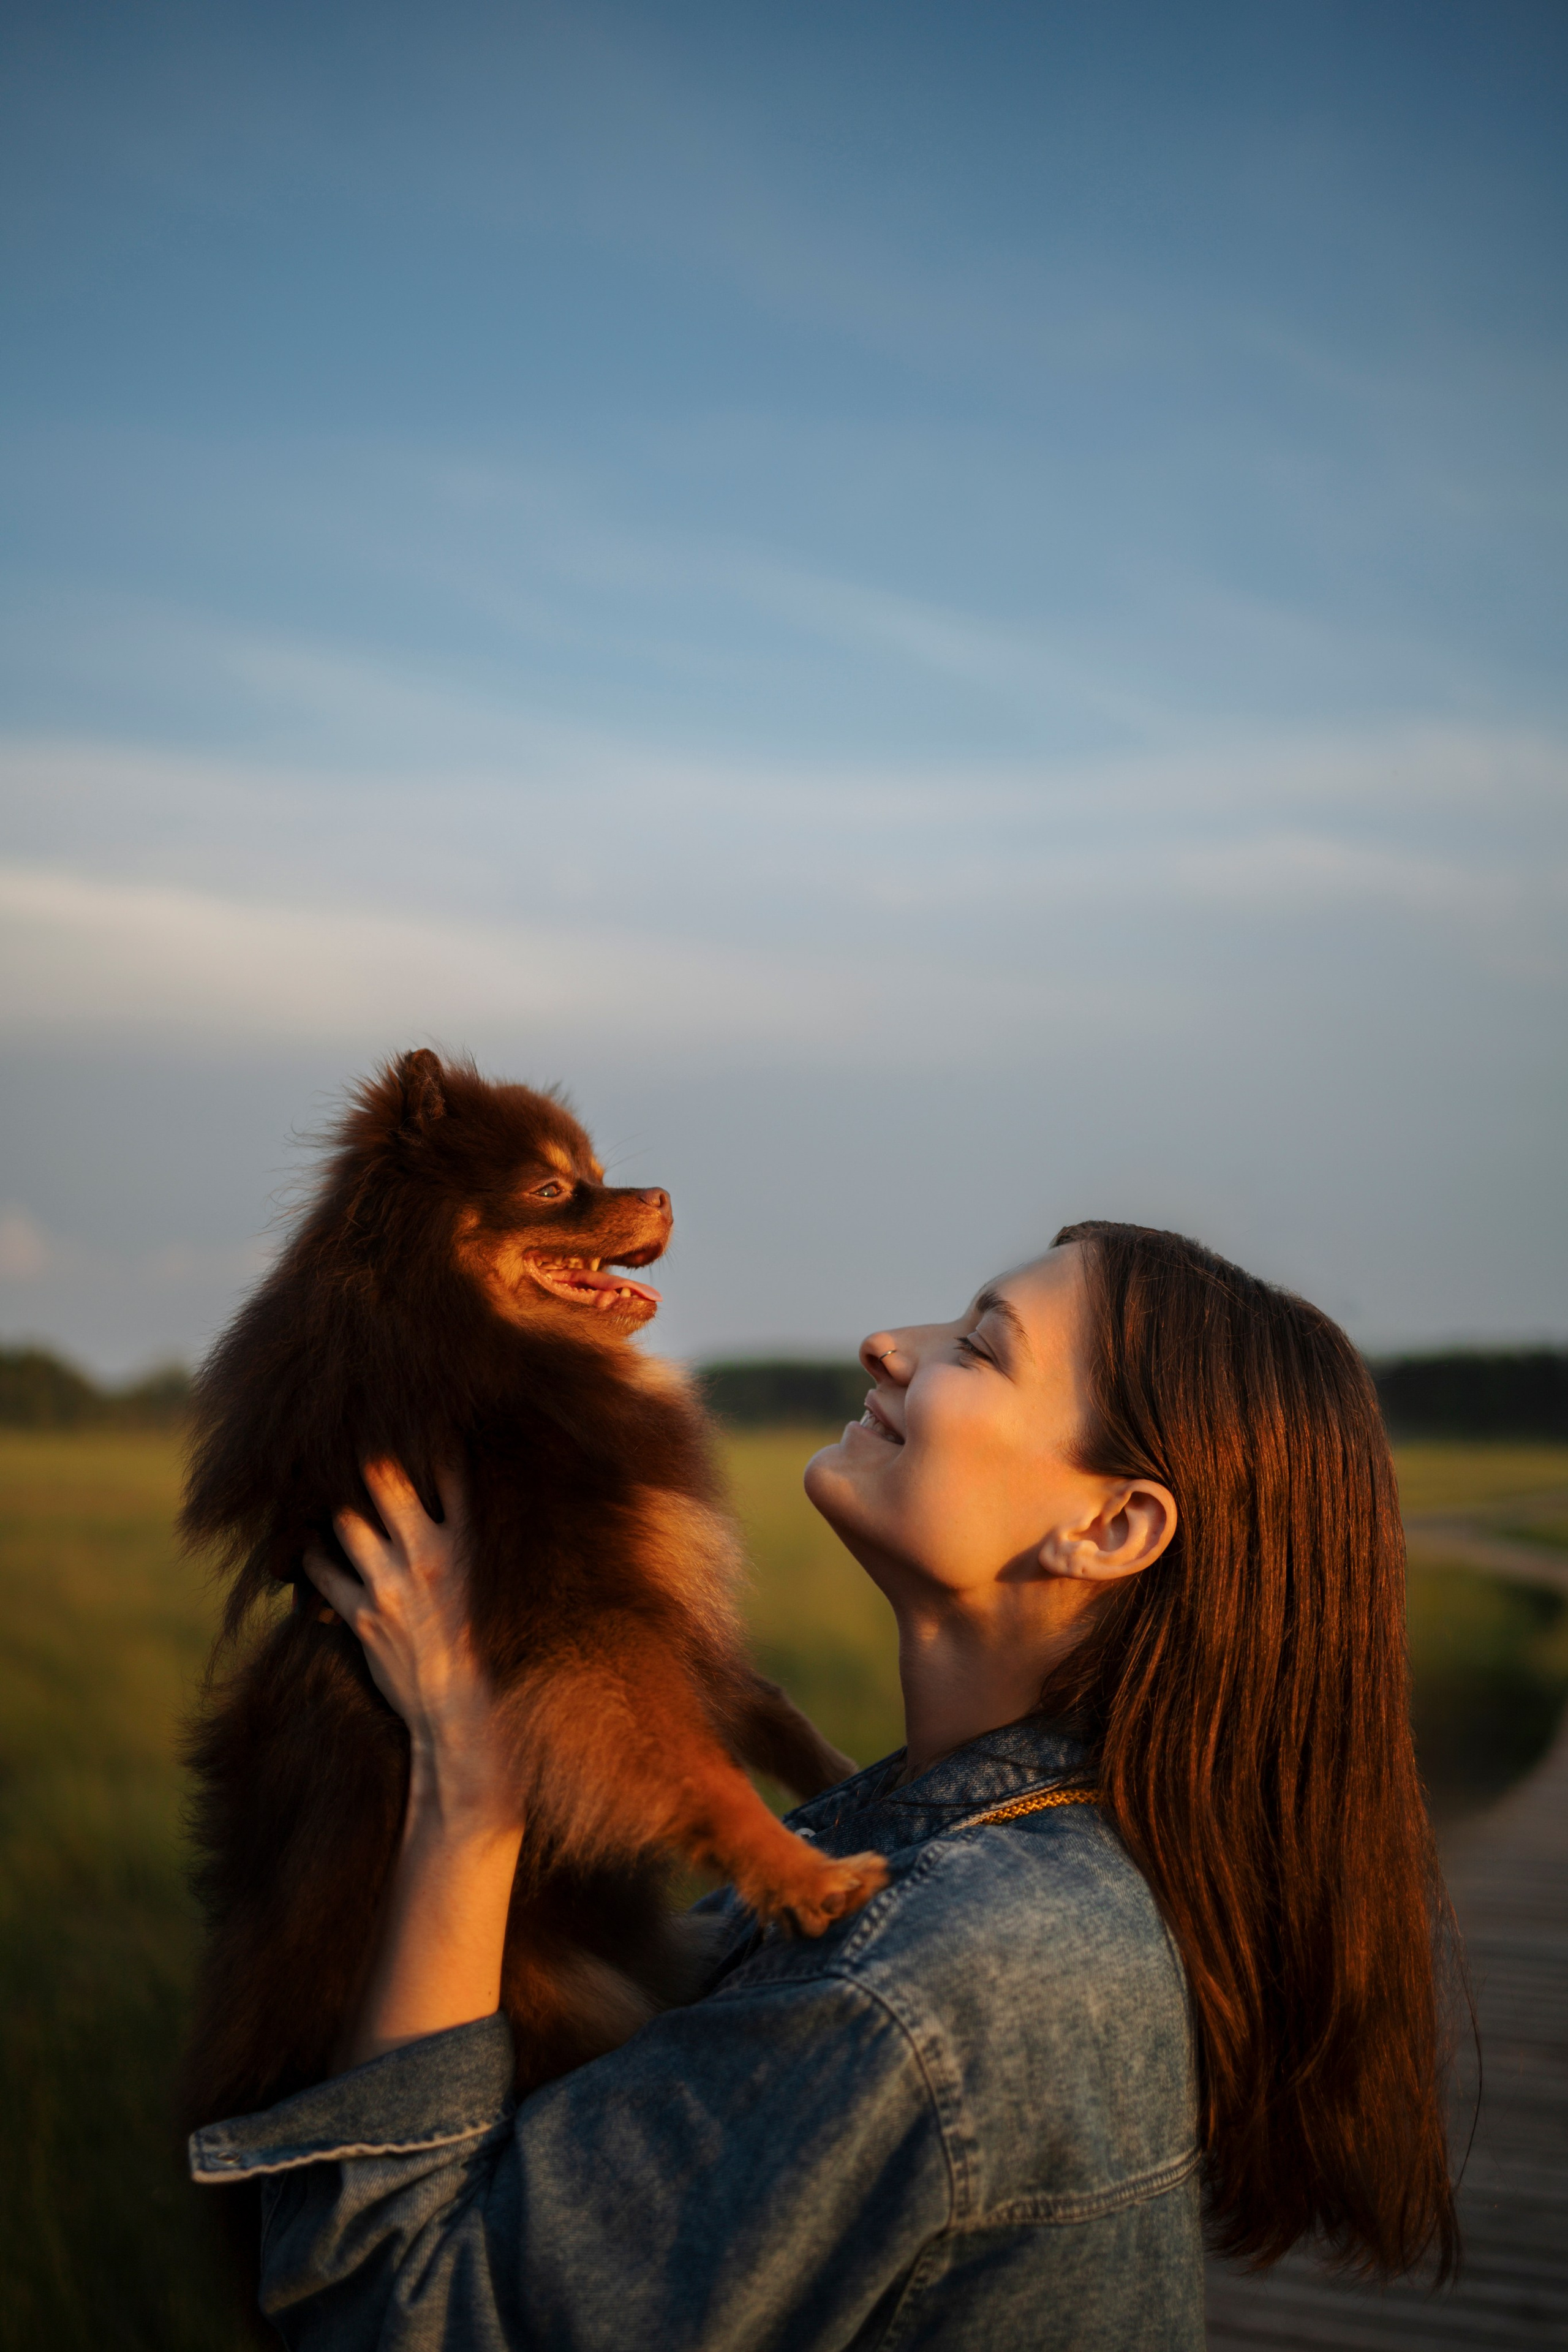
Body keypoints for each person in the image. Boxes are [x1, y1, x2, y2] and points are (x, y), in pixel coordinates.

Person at [190, 1222, 1458, 2350]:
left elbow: (399, 2315)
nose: (885, 1344)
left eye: (981, 1345)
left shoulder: (929, 1977)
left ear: (1111, 1529)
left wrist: (468, 1794)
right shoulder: (994, 1848)